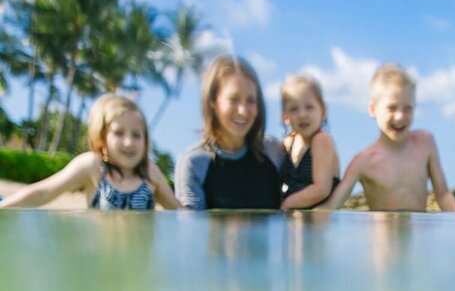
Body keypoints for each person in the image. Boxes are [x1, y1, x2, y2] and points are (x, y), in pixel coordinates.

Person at [0, 94, 179, 210]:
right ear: (101, 137)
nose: (128, 142)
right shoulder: (94, 166)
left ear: (146, 139)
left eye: (136, 134)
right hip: (100, 262)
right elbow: (42, 192)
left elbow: (179, 212)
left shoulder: (148, 171)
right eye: (118, 133)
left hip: (140, 264)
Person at [328, 63, 455, 213]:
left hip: (418, 236)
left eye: (407, 108)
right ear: (373, 109)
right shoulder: (362, 161)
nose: (400, 116)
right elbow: (330, 208)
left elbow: (443, 194)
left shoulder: (425, 142)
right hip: (381, 236)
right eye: (392, 108)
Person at [175, 55, 283, 210]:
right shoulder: (193, 162)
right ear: (212, 101)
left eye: (251, 100)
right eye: (234, 99)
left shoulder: (273, 151)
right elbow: (191, 229)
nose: (243, 111)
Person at [279, 74, 340, 209]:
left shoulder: (321, 140)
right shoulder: (289, 143)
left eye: (309, 107)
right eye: (294, 109)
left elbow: (321, 189)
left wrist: (285, 205)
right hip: (296, 223)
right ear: (286, 117)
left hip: (319, 226)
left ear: (323, 111)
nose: (302, 115)